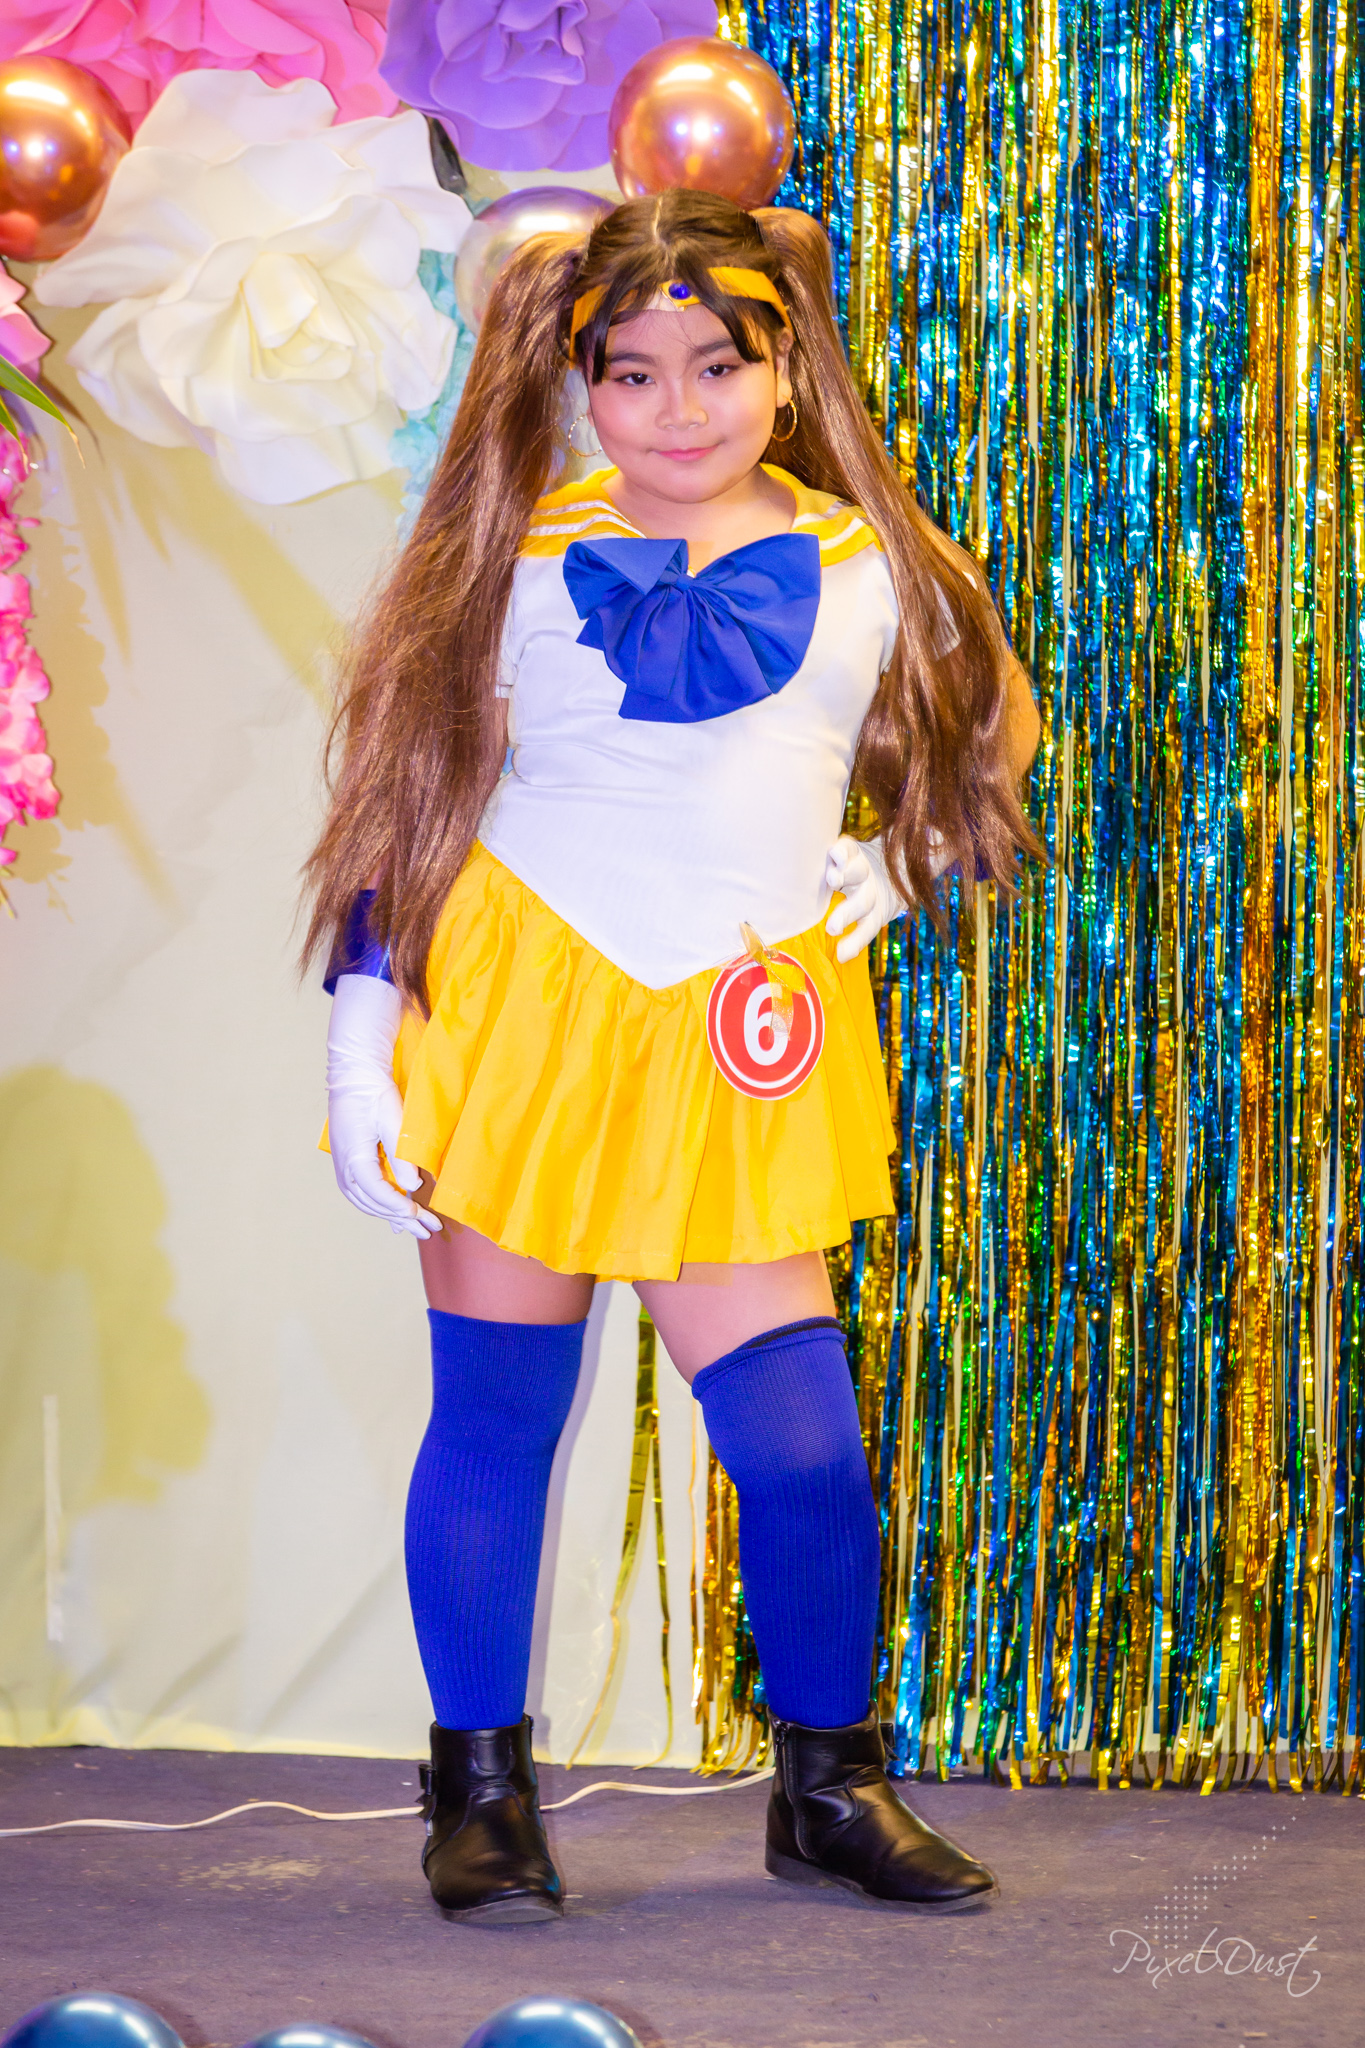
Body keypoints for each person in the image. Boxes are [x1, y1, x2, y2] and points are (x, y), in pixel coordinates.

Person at [303, 188, 1040, 1926]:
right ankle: (478, 1800)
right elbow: (411, 803)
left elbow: (995, 729)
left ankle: (829, 1791)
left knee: (801, 1452)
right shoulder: (509, 550)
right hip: (520, 1015)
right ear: (581, 384)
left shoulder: (880, 562)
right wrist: (359, 1037)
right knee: (496, 1417)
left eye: (717, 365)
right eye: (630, 374)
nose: (678, 407)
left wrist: (902, 863)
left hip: (737, 1034)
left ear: (785, 367)